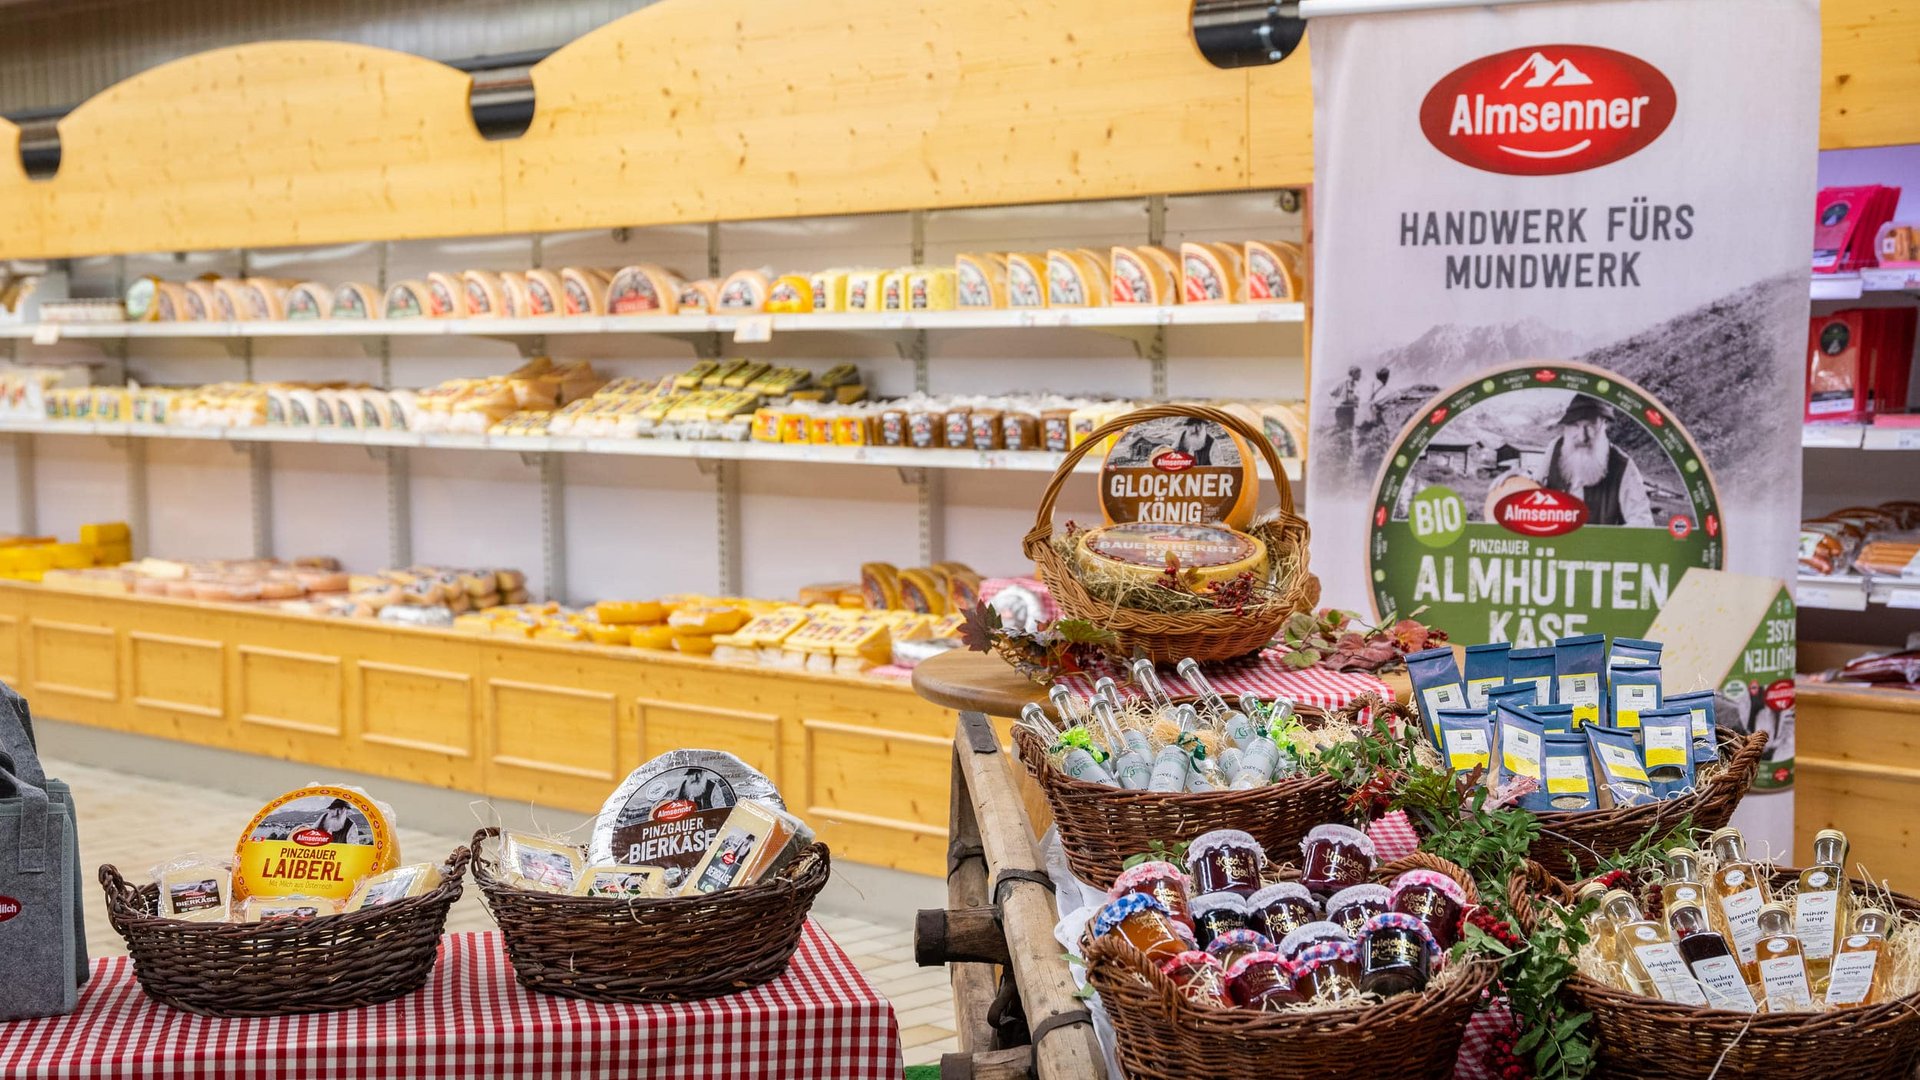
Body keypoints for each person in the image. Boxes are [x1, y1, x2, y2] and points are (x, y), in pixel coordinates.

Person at [1531, 394, 1653, 527]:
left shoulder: (1623, 466)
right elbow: (1534, 487)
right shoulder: (1555, 448)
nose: (1583, 437)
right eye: (1575, 426)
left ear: (1604, 425)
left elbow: (1643, 522)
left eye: (1590, 426)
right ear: (1566, 427)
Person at [1332, 365, 1363, 430]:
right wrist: (1335, 403)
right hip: (1342, 410)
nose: (1360, 376)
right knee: (1342, 432)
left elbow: (1352, 398)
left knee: (1349, 431)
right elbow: (1330, 393)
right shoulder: (1342, 382)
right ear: (1354, 373)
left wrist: (1356, 402)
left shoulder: (1354, 385)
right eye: (1359, 374)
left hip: (1350, 410)